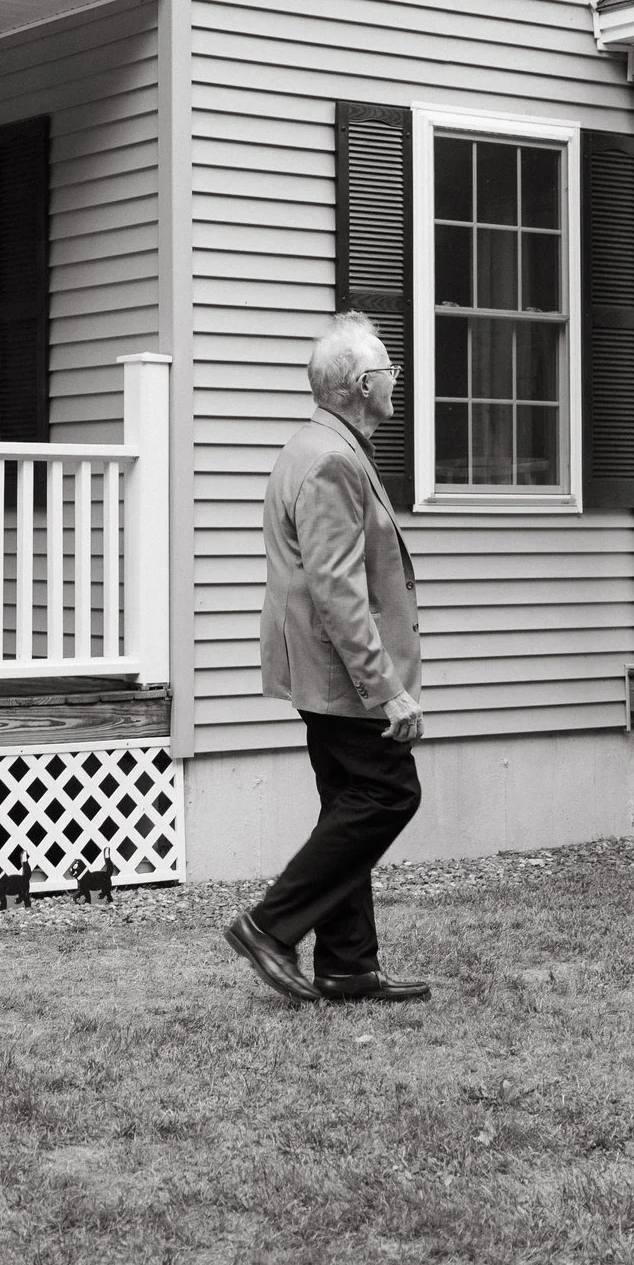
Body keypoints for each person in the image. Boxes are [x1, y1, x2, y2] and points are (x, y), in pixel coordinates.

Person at [225, 312, 432, 1006]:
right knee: (389, 793)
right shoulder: (333, 461)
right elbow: (338, 590)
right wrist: (388, 690)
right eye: (387, 370)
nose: (394, 378)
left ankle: (347, 966)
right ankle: (271, 926)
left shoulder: (313, 445)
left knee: (348, 802)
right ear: (358, 385)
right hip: (344, 676)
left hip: (319, 671)